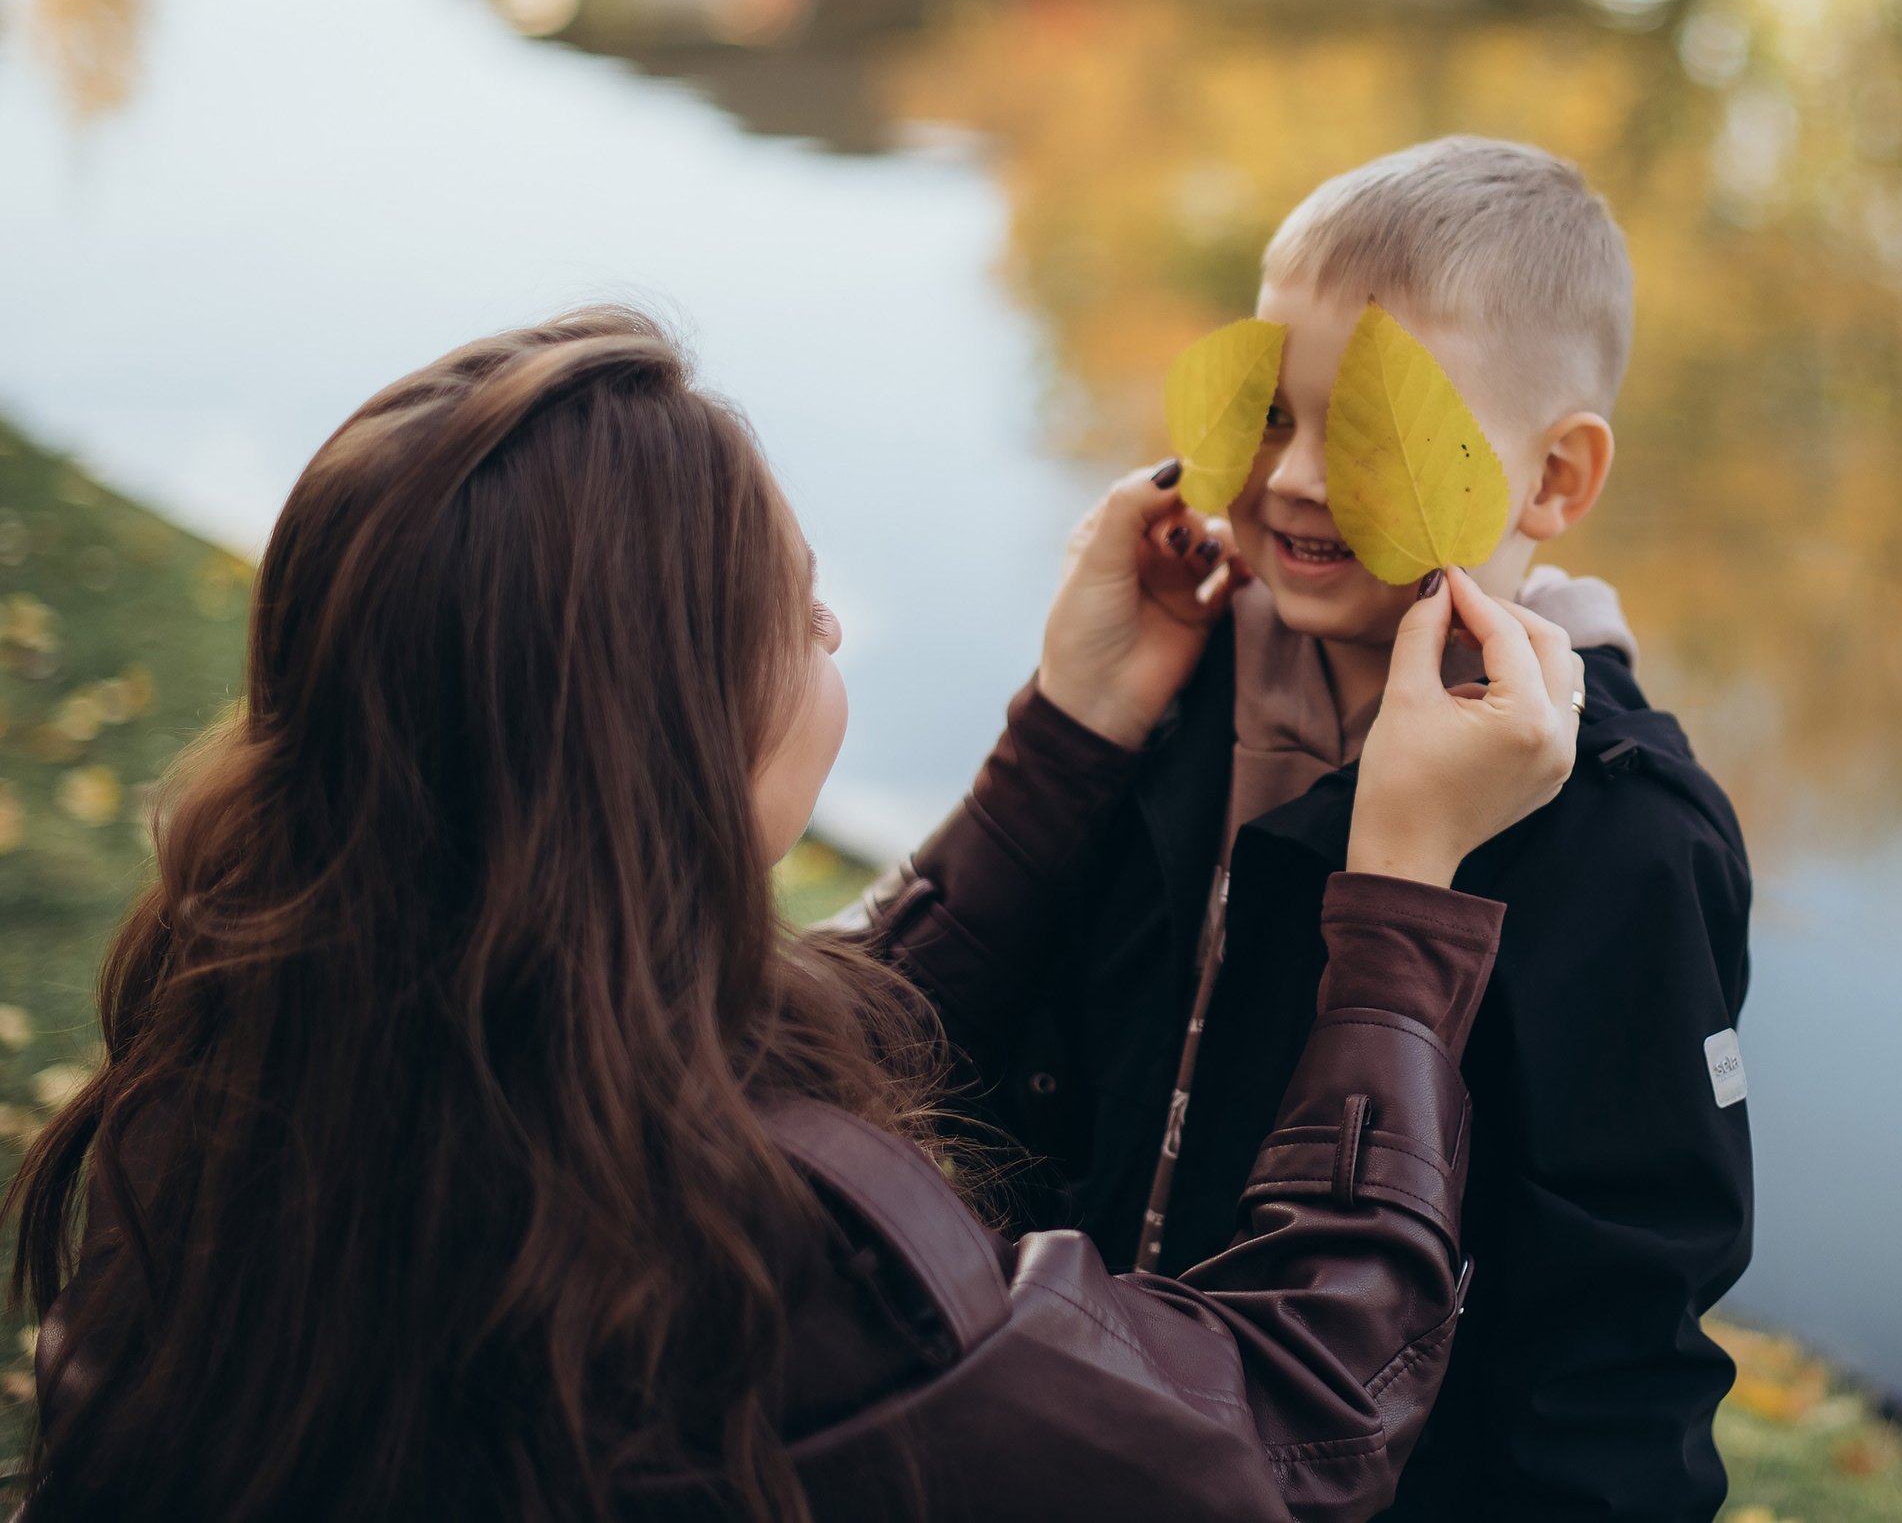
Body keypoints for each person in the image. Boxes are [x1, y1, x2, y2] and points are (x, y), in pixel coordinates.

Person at [4, 308, 1590, 1523]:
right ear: (661, 747)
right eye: (795, 610)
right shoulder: (785, 1254)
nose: (834, 623)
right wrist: (1398, 904)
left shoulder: (245, 1057)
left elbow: (737, 1036)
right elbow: (1285, 1428)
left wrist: (1068, 731)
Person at [866, 138, 1755, 1520]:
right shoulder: (1171, 696)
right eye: (1268, 411)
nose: (1286, 478)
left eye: (1373, 427)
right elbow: (990, 1048)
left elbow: (1618, 1331)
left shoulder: (1625, 842)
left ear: (1557, 479)